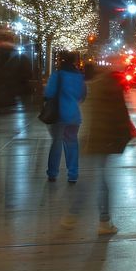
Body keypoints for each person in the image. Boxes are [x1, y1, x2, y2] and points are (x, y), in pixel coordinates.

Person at [63, 62, 134, 234]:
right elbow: (122, 116)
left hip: (87, 138)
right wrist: (126, 136)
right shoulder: (112, 88)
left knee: (89, 179)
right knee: (100, 181)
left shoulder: (88, 88)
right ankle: (103, 221)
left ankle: (72, 216)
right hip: (103, 140)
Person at [44, 50, 86, 183]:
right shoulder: (79, 76)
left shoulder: (57, 75)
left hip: (58, 114)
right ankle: (73, 174)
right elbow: (82, 95)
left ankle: (52, 173)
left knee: (56, 143)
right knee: (72, 143)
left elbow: (49, 93)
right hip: (74, 115)